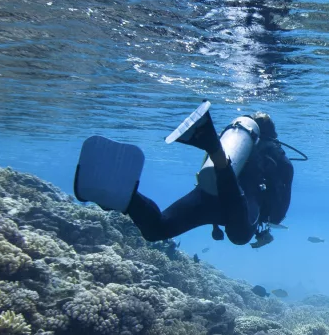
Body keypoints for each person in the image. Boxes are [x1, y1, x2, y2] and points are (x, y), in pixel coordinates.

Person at [74, 101, 293, 247]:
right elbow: (278, 212)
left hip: (207, 193)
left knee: (157, 229)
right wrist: (266, 223)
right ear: (273, 136)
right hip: (237, 205)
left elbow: (203, 171)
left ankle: (126, 197)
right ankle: (216, 152)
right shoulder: (278, 157)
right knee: (240, 236)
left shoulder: (239, 144)